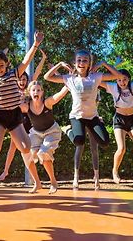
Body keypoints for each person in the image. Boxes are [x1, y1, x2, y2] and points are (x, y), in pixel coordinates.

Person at [44, 49, 123, 189]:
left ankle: (95, 175)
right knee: (79, 141)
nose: (81, 62)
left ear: (89, 63)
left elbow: (117, 75)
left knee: (104, 142)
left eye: (85, 60)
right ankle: (68, 130)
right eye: (79, 60)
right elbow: (47, 77)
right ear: (75, 63)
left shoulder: (96, 77)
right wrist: (60, 64)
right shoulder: (69, 79)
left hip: (92, 117)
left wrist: (104, 63)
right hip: (77, 117)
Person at [0, 49, 47, 181]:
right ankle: (6, 170)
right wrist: (4, 57)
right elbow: (5, 73)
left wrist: (42, 59)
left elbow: (36, 74)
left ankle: (35, 169)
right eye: (20, 80)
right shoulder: (13, 90)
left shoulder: (29, 90)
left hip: (29, 121)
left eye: (24, 80)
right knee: (13, 147)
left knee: (30, 147)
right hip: (17, 121)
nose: (22, 82)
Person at [20, 81, 68, 194]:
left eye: (38, 90)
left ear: (42, 92)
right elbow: (9, 105)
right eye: (33, 90)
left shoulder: (47, 102)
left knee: (43, 153)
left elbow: (60, 94)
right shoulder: (26, 106)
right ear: (29, 93)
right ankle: (37, 183)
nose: (36, 92)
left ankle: (53, 182)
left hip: (51, 132)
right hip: (36, 133)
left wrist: (69, 83)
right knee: (25, 153)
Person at [100, 69, 133, 183]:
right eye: (119, 80)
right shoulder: (113, 87)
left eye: (124, 79)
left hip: (132, 119)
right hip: (119, 119)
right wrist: (108, 66)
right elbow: (97, 79)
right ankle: (115, 171)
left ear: (128, 79)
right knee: (121, 148)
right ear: (116, 80)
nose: (122, 82)